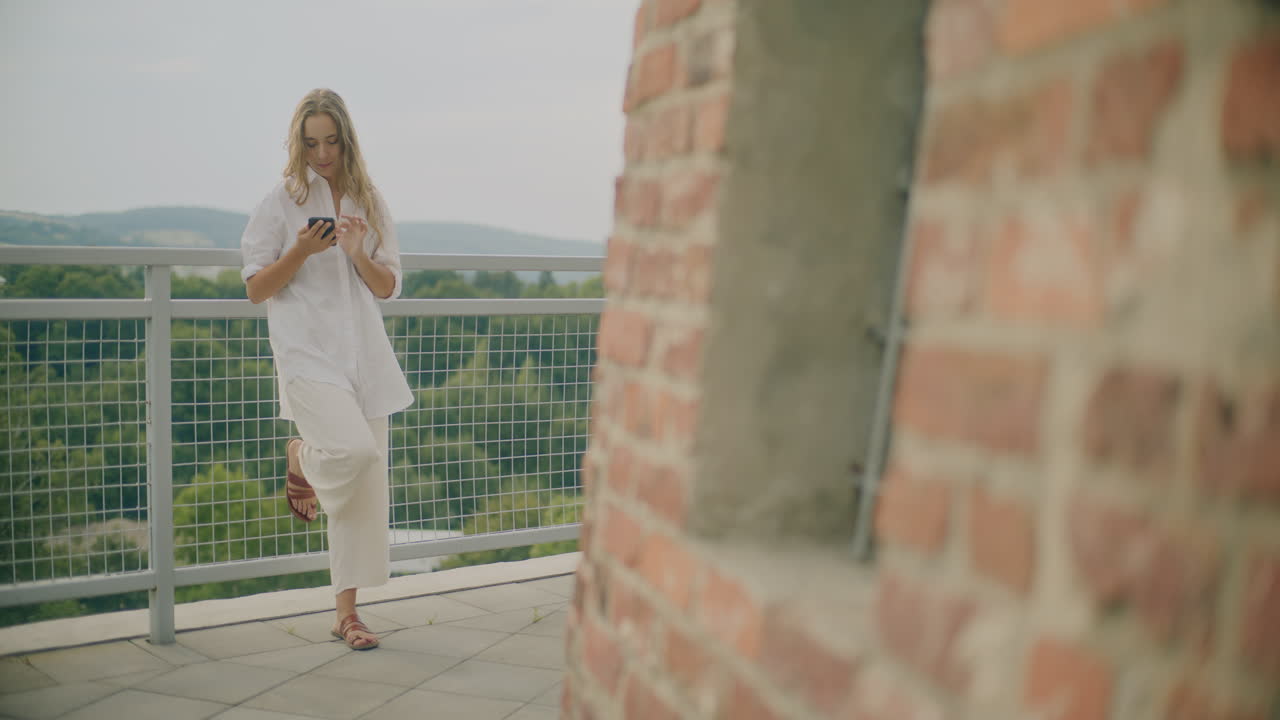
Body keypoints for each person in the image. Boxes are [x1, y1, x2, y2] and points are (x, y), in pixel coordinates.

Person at [239, 88, 412, 651]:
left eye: (330, 141)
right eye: (311, 142)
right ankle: (304, 457)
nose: (321, 153)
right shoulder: (279, 201)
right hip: (306, 354)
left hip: (364, 355)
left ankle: (348, 615)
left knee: (364, 488)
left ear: (346, 140)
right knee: (354, 455)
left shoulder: (369, 199)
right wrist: (300, 253)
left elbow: (387, 288)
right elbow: (255, 288)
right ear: (298, 141)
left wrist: (359, 253)